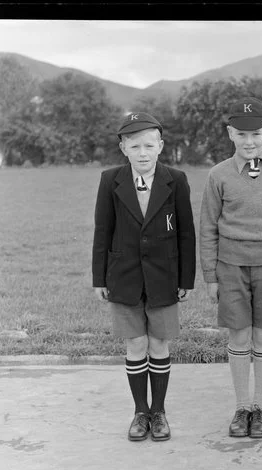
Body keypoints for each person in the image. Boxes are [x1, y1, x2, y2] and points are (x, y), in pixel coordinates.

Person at [200, 97, 262, 439]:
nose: (249, 142)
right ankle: (242, 406)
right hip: (231, 266)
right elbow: (209, 227)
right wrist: (211, 276)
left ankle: (260, 406)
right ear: (230, 134)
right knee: (239, 334)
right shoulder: (218, 175)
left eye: (256, 134)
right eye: (241, 134)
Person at [92, 112, 196, 442]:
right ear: (123, 148)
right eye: (134, 146)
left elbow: (186, 233)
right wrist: (99, 278)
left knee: (159, 342)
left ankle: (160, 412)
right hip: (124, 277)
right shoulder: (111, 180)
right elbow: (102, 230)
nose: (142, 153)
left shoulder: (175, 179)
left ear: (161, 146)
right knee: (136, 344)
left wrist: (186, 278)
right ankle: (140, 412)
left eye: (149, 145)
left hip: (164, 276)